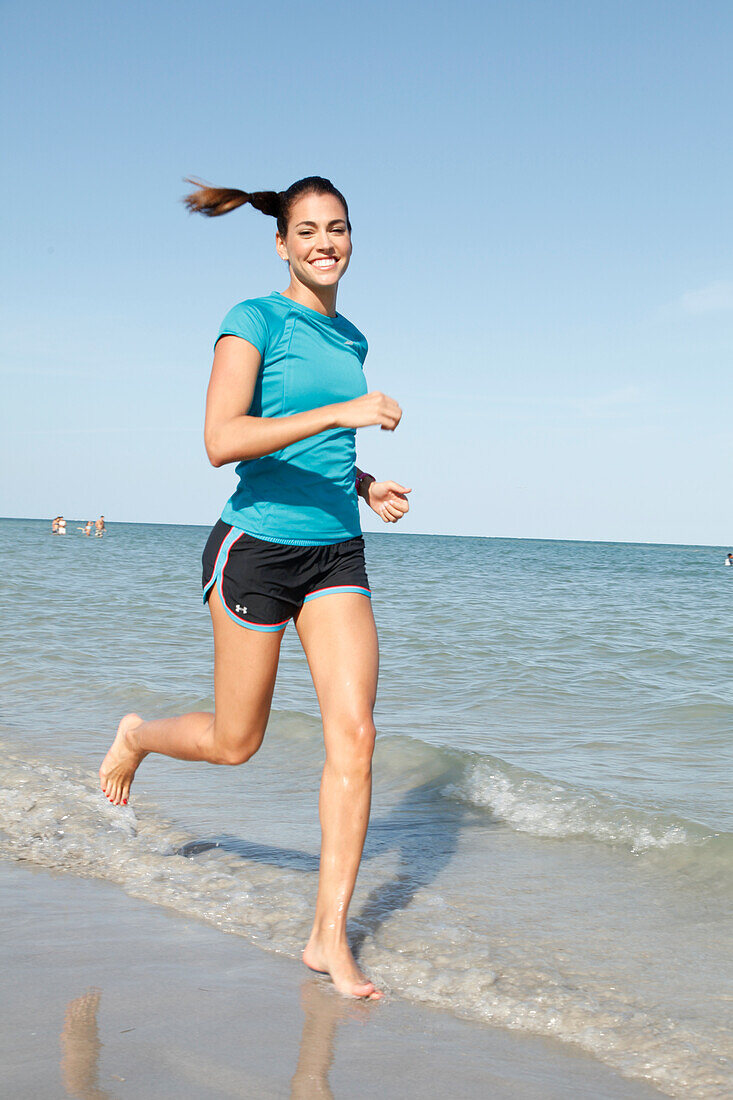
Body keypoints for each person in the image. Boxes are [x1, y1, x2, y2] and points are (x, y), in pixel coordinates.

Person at [100, 176, 411, 1000]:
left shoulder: (351, 337)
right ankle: (137, 735)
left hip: (335, 553)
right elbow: (223, 439)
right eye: (306, 230)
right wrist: (344, 413)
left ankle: (326, 939)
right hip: (256, 551)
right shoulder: (254, 321)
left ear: (351, 239)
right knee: (237, 742)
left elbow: (318, 447)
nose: (323, 242)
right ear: (281, 242)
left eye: (337, 228)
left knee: (357, 735)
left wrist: (364, 480)